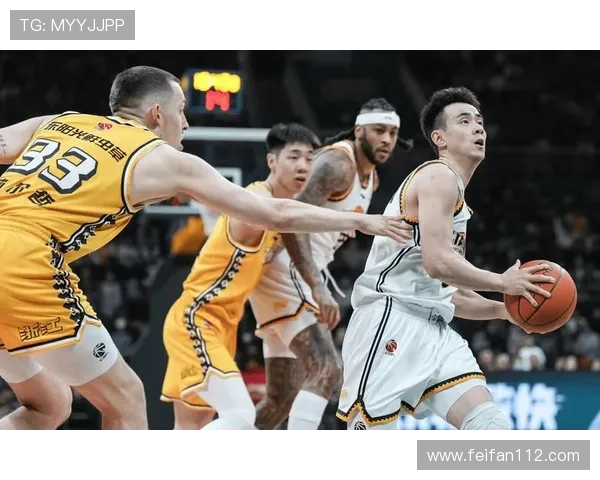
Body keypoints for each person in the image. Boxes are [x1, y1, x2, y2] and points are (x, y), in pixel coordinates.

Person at [0, 65, 408, 432]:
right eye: (181, 110)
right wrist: (360, 220)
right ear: (156, 114)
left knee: (49, 405)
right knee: (126, 401)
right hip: (26, 259)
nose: (185, 123)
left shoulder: (58, 122)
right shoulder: (164, 159)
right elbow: (276, 213)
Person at [336, 87, 556, 431]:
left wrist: (506, 310)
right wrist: (503, 282)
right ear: (440, 138)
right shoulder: (438, 176)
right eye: (464, 121)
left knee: (491, 427)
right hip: (390, 318)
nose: (478, 128)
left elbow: (452, 293)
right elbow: (437, 263)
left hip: (434, 328)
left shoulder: (456, 198)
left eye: (479, 121)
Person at [249, 98, 413, 431]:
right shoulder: (338, 163)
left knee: (281, 397)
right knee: (327, 370)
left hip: (289, 274)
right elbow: (290, 223)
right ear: (359, 131)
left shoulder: (371, 178)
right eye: (379, 131)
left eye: (392, 133)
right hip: (286, 271)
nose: (387, 139)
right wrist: (318, 288)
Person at [160, 122, 322, 431]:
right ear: (272, 161)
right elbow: (286, 215)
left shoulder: (276, 216)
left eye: (309, 159)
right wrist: (364, 222)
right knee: (241, 419)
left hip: (222, 326)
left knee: (190, 428)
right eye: (294, 157)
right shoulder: (257, 200)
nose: (303, 166)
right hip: (197, 319)